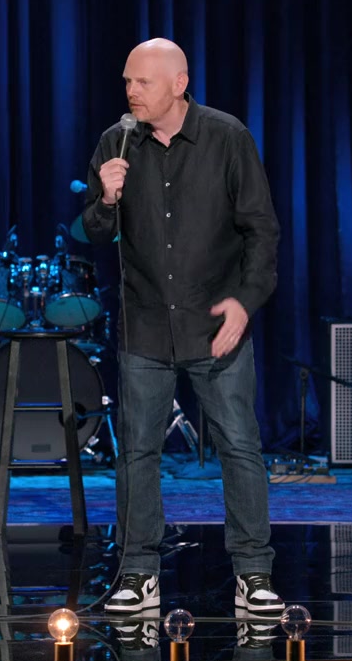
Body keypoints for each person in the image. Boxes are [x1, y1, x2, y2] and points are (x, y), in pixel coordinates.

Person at [81, 38, 283, 616]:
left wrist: (245, 302)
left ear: (179, 83)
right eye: (126, 81)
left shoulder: (227, 137)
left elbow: (261, 230)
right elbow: (95, 230)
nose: (130, 91)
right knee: (137, 452)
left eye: (142, 82)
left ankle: (253, 573)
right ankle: (138, 573)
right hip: (145, 323)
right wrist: (106, 198)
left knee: (239, 446)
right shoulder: (116, 142)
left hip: (214, 323)